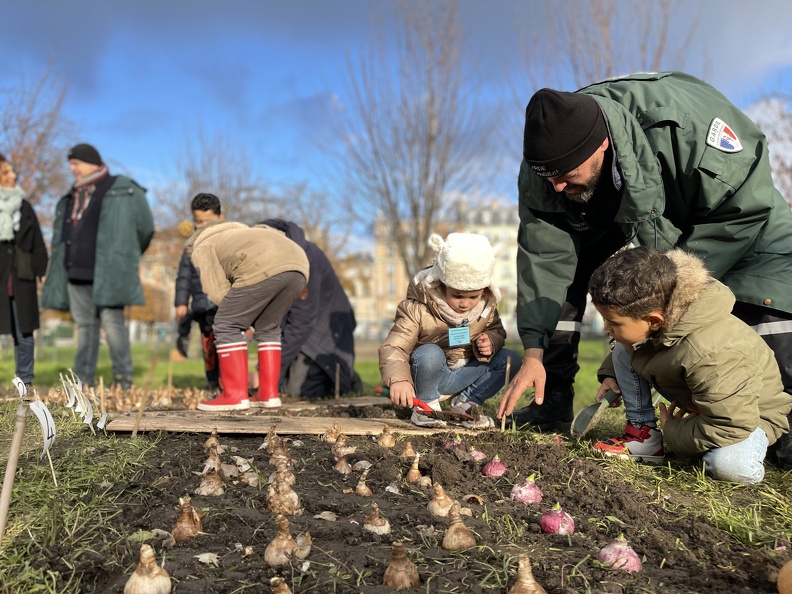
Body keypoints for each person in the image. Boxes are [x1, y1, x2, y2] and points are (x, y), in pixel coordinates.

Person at [498, 72, 792, 470]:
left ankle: (774, 431)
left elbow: (744, 207)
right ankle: (547, 405)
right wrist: (533, 350)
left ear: (601, 145)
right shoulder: (548, 168)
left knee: (758, 309)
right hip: (631, 224)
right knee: (571, 282)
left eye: (568, 175)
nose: (556, 188)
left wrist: (667, 287)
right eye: (549, 178)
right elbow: (544, 261)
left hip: (735, 222)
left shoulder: (688, 129)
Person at [587, 247, 792, 484]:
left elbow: (733, 423)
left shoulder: (712, 352)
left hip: (748, 416)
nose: (605, 328)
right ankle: (643, 437)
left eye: (612, 322)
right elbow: (633, 346)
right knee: (626, 345)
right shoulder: (660, 316)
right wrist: (611, 375)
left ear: (655, 320)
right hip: (707, 399)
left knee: (730, 467)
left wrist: (674, 432)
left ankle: (746, 451)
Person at [41, 143, 154, 389]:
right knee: (85, 327)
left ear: (91, 162)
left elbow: (145, 228)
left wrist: (127, 255)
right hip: (76, 271)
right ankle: (84, 381)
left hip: (110, 272)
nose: (72, 169)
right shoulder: (73, 195)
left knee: (113, 324)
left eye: (75, 164)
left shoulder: (122, 188)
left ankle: (123, 381)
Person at [380, 232, 520, 429]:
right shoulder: (418, 308)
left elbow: (497, 331)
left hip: (463, 373)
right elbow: (395, 346)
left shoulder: (486, 307)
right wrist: (399, 380)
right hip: (429, 374)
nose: (465, 304)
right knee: (429, 353)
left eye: (474, 297)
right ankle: (426, 406)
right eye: (457, 295)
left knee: (510, 359)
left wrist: (490, 340)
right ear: (441, 284)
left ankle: (466, 403)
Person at [187, 220, 309, 411]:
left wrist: (237, 319)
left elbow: (216, 292)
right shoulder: (241, 234)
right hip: (299, 264)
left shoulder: (202, 245)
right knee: (269, 327)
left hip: (263, 264)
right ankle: (268, 394)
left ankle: (234, 395)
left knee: (226, 324)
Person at [255, 219, 359, 399]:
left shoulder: (305, 260)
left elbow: (302, 322)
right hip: (303, 330)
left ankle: (346, 379)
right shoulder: (278, 258)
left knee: (298, 392)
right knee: (280, 385)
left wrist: (268, 373)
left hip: (323, 335)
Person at [0, 153, 48, 387]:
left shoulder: (25, 206)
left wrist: (43, 270)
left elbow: (38, 241)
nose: (13, 175)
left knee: (24, 331)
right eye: (6, 172)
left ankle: (25, 381)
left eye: (12, 171)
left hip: (22, 275)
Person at [174, 193, 225, 388]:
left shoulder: (228, 239)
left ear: (220, 218)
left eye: (207, 221)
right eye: (198, 221)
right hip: (202, 303)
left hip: (224, 303)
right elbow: (184, 274)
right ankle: (213, 382)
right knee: (208, 344)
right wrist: (180, 302)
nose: (202, 226)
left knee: (227, 343)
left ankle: (230, 383)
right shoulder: (190, 244)